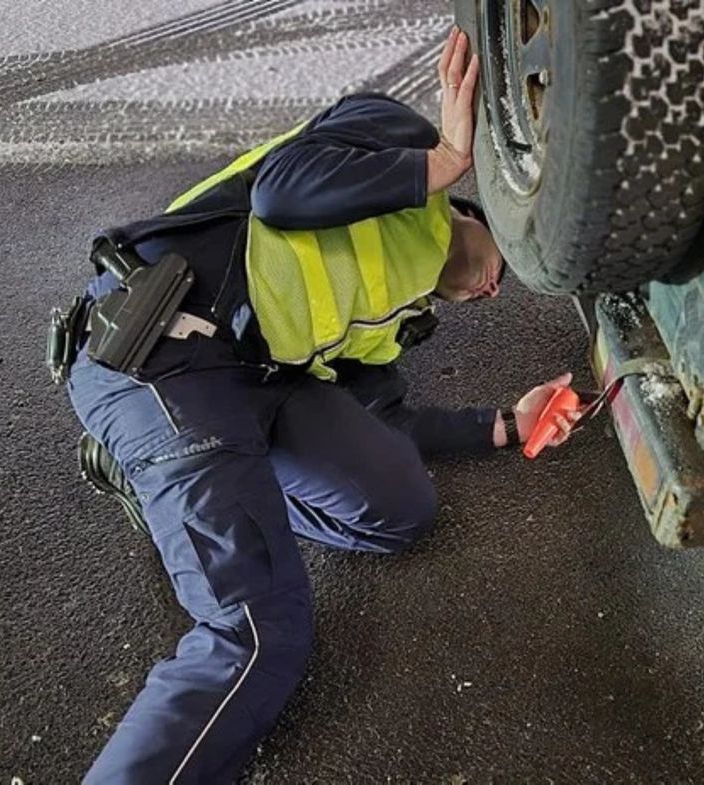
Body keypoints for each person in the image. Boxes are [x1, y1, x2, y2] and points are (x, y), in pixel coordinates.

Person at [61, 28, 581, 783]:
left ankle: (187, 486)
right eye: (515, 262)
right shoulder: (402, 143)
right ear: (490, 207)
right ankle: (160, 473)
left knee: (400, 506)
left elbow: (391, 420)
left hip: (257, 384)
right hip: (163, 347)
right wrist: (439, 161)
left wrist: (506, 423)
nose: (498, 289)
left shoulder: (402, 315)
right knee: (258, 636)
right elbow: (282, 187)